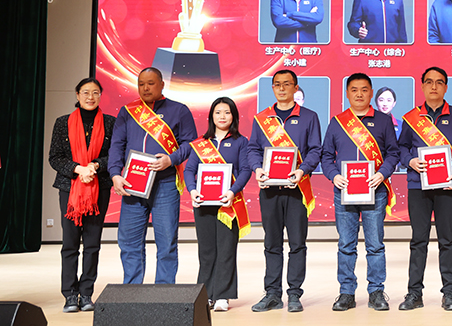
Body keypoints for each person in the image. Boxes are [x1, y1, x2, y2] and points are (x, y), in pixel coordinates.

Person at [108, 67, 196, 284]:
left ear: (162, 84)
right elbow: (117, 145)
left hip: (165, 183)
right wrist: (115, 174)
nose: (145, 88)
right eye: (141, 84)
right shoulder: (128, 111)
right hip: (133, 183)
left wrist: (171, 159)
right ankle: (132, 290)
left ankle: (163, 292)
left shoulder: (179, 110)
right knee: (129, 242)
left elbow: (191, 144)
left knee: (166, 242)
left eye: (150, 83)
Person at [321, 73, 401, 312]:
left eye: (364, 89)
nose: (359, 94)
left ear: (371, 92)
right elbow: (326, 156)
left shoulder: (383, 121)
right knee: (346, 244)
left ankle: (376, 292)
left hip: (375, 191)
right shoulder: (338, 122)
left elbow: (393, 153)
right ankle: (346, 293)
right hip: (344, 192)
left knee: (375, 245)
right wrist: (334, 176)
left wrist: (382, 173)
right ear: (347, 93)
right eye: (354, 89)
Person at [397, 66, 452, 311]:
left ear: (446, 87)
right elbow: (401, 148)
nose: (434, 86)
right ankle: (414, 294)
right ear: (422, 86)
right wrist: (410, 161)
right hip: (418, 186)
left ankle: (449, 294)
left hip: (448, 186)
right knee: (418, 240)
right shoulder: (411, 117)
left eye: (439, 82)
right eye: (429, 82)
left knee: (447, 241)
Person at [247, 70, 323, 312]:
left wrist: (302, 170)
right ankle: (272, 294)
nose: (281, 88)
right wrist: (257, 169)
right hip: (269, 190)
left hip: (297, 189)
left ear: (295, 87)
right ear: (272, 88)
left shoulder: (309, 117)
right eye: (277, 84)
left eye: (286, 84)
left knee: (297, 243)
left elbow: (315, 150)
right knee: (272, 243)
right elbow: (252, 149)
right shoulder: (262, 119)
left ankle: (294, 294)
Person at [49, 78, 115, 313]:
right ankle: (69, 294)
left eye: (95, 92)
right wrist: (79, 169)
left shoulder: (110, 122)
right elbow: (55, 157)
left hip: (99, 188)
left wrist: (94, 166)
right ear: (77, 95)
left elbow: (115, 154)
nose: (90, 97)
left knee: (92, 244)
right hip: (70, 189)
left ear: (100, 95)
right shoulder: (62, 123)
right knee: (69, 244)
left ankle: (86, 293)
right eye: (85, 92)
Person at [185, 97, 252, 312]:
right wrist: (192, 190)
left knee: (226, 250)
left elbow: (245, 170)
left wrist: (233, 191)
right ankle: (205, 295)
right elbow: (189, 170)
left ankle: (223, 295)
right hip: (203, 204)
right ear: (211, 116)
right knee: (206, 251)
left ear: (234, 116)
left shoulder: (241, 142)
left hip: (228, 204)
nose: (222, 116)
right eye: (218, 112)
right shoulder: (200, 143)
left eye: (227, 112)